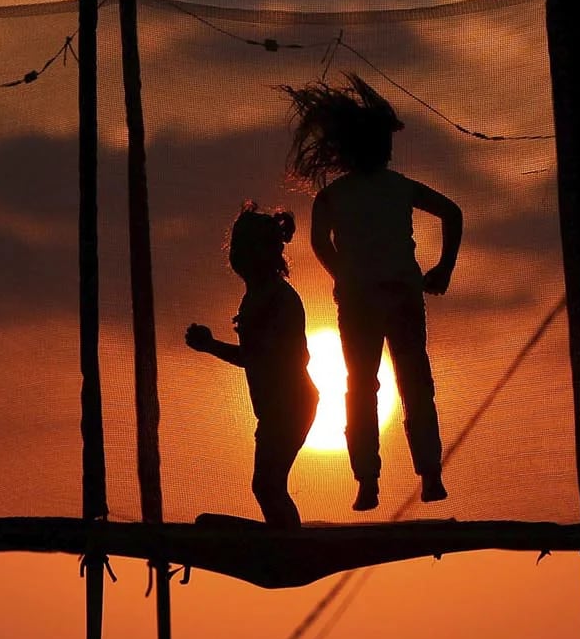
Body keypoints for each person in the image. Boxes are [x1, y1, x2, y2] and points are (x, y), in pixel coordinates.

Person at [283, 73, 462, 512]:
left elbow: (320, 242)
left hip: (372, 299)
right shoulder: (388, 188)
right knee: (409, 384)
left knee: (366, 388)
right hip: (393, 296)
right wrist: (442, 268)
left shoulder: (337, 195)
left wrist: (342, 272)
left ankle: (377, 480)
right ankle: (418, 475)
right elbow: (451, 213)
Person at [184, 205, 320, 528]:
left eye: (243, 247)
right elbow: (256, 357)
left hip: (292, 405)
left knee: (267, 485)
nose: (237, 255)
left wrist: (211, 346)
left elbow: (267, 358)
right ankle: (283, 537)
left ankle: (288, 543)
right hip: (276, 409)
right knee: (267, 486)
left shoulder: (279, 299)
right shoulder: (255, 297)